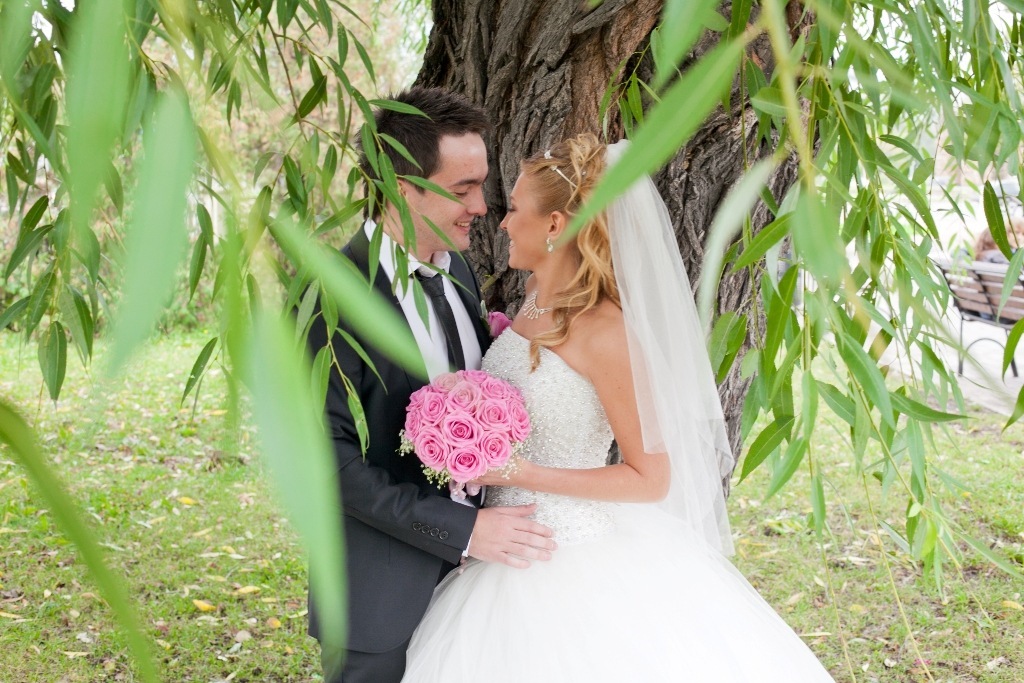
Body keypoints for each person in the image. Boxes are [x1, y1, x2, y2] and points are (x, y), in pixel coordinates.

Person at [402, 134, 835, 681]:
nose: (503, 223)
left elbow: (651, 478)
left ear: (555, 224)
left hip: (569, 558)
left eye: (513, 208)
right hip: (498, 551)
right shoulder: (533, 297)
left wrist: (522, 473)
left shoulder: (607, 333)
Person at [305, 87, 557, 683]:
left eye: (482, 185)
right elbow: (327, 463)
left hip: (485, 591)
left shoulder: (460, 272)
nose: (481, 206)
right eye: (462, 188)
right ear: (401, 187)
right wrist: (464, 531)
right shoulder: (332, 296)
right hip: (379, 594)